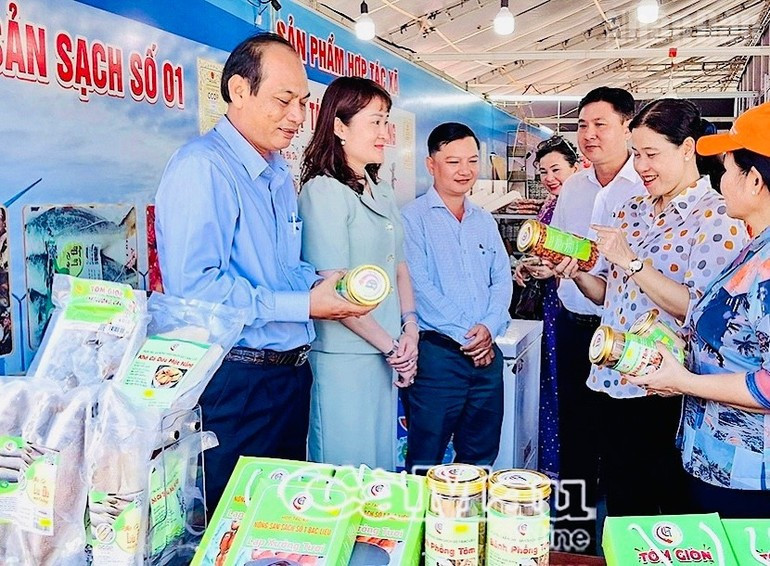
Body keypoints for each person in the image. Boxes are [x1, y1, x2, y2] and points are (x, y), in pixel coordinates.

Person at [154, 33, 372, 512]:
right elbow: (196, 290)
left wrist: (319, 285)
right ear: (237, 90)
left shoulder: (274, 173)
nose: (297, 116)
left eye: (303, 102)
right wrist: (304, 303)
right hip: (234, 384)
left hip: (288, 378)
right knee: (228, 526)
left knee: (279, 530)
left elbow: (281, 269)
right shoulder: (203, 168)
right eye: (284, 100)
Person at [554, 98, 748, 517]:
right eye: (636, 153)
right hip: (612, 376)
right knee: (625, 505)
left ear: (687, 148)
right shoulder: (632, 210)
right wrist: (575, 273)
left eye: (651, 154)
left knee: (672, 511)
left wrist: (632, 262)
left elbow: (701, 312)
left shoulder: (716, 215)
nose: (641, 166)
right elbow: (611, 296)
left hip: (667, 388)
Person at [627, 101, 770, 518]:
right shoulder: (753, 249)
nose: (720, 179)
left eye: (726, 169)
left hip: (749, 475)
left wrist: (684, 380)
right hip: (716, 459)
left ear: (755, 180)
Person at [297, 76, 418, 470]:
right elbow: (334, 289)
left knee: (379, 468)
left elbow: (398, 265)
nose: (385, 133)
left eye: (387, 122)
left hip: (386, 350)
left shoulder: (378, 187)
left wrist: (410, 329)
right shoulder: (323, 191)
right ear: (339, 126)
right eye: (376, 122)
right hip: (345, 357)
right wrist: (392, 347)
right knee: (345, 472)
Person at [543, 87, 644, 554]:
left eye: (600, 124)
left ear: (627, 126)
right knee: (575, 440)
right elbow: (561, 246)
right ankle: (571, 542)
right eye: (582, 125)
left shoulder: (644, 186)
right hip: (573, 325)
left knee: (624, 445)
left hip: (624, 335)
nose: (588, 135)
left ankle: (623, 547)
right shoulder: (576, 187)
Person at [400, 122, 512, 473]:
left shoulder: (484, 220)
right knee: (426, 457)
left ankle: (467, 526)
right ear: (431, 164)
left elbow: (502, 279)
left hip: (486, 355)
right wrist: (472, 336)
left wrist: (489, 328)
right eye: (453, 162)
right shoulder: (411, 219)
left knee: (479, 457)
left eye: (472, 161)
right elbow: (419, 287)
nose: (465, 171)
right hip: (438, 358)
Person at [513, 135, 580, 479]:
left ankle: (569, 468)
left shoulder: (582, 202)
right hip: (551, 302)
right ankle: (550, 466)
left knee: (565, 385)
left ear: (575, 167)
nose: (550, 178)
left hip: (575, 303)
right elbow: (546, 255)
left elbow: (586, 258)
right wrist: (530, 265)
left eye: (556, 169)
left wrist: (554, 269)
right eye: (543, 172)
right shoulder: (549, 206)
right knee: (549, 380)